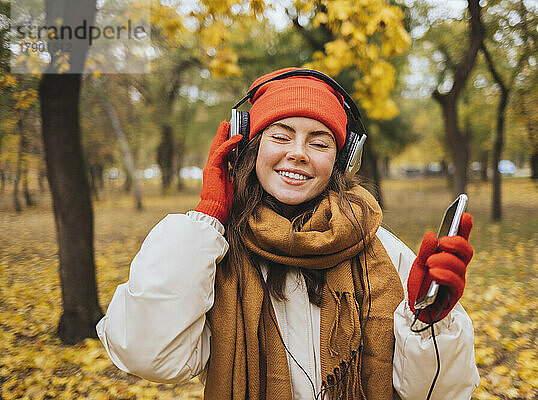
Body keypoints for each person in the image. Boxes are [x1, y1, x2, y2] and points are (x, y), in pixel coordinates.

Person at [97, 68, 480, 400]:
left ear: (342, 160)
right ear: (250, 144)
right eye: (281, 136)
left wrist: (430, 324)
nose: (299, 153)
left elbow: (439, 392)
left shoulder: (384, 250)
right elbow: (150, 355)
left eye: (319, 142)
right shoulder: (211, 254)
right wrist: (208, 216)